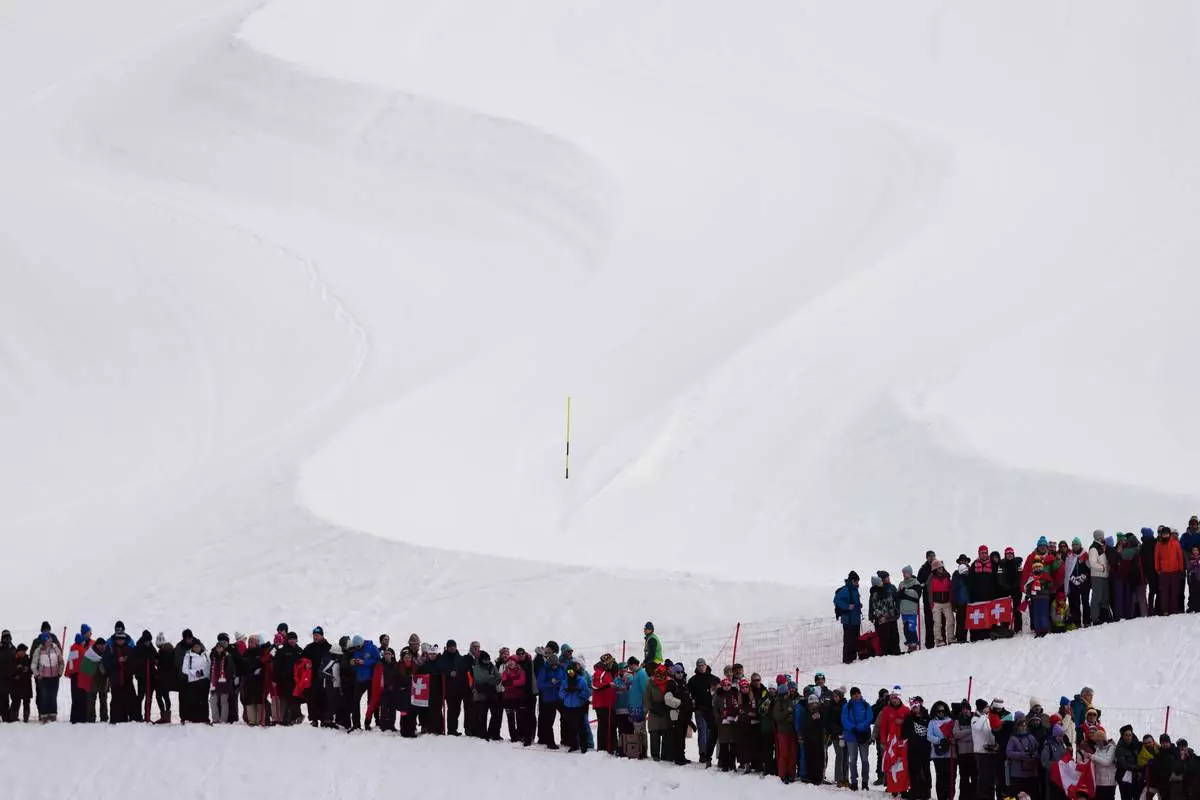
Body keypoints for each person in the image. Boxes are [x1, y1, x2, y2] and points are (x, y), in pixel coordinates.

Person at [688, 658, 719, 766]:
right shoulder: (692, 680)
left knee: (712, 733)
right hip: (699, 709)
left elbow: (719, 692)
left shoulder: (714, 679)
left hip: (712, 710)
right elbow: (689, 695)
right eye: (699, 666)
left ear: (706, 665)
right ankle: (703, 754)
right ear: (697, 667)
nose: (702, 667)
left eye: (703, 665)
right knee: (702, 731)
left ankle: (709, 754)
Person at [843, 686, 873, 791]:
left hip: (863, 736)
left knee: (865, 759)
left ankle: (865, 781)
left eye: (858, 693)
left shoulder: (866, 705)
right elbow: (844, 719)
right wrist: (852, 728)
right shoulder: (847, 706)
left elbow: (869, 719)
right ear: (851, 695)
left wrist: (859, 728)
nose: (856, 695)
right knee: (853, 760)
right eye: (854, 693)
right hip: (851, 736)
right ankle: (854, 781)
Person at [301, 627, 333, 727]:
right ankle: (313, 719)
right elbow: (302, 659)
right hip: (312, 677)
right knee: (312, 698)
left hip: (325, 677)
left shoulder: (329, 647)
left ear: (322, 635)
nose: (315, 637)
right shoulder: (309, 647)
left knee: (325, 698)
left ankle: (325, 718)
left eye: (317, 635)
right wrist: (305, 663)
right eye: (314, 635)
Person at [105, 633, 137, 724]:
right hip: (115, 679)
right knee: (116, 700)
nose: (120, 641)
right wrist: (117, 660)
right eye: (118, 639)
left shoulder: (129, 649)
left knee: (129, 699)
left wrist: (127, 661)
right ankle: (115, 719)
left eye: (122, 639)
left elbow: (133, 663)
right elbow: (106, 663)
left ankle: (129, 718)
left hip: (127, 678)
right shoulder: (110, 649)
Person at [348, 635, 379, 730]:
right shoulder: (355, 650)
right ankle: (356, 724)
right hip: (359, 679)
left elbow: (377, 660)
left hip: (370, 679)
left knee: (371, 701)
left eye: (359, 646)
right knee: (355, 701)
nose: (358, 648)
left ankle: (368, 723)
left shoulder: (371, 647)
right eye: (356, 647)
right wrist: (353, 663)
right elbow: (354, 666)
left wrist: (364, 662)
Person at [439, 639, 470, 736]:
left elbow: (463, 669)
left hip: (459, 689)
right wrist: (449, 673)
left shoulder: (460, 658)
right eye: (450, 646)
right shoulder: (443, 658)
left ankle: (454, 729)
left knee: (457, 710)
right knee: (451, 710)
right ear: (447, 647)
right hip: (449, 689)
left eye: (453, 646)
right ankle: (451, 730)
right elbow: (441, 668)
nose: (452, 648)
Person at [905, 697, 933, 800]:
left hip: (925, 749)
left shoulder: (927, 717)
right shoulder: (909, 718)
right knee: (913, 770)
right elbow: (904, 733)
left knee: (925, 770)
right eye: (913, 708)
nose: (915, 709)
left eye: (917, 707)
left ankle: (926, 791)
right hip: (913, 750)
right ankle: (914, 790)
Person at [32, 631, 63, 723]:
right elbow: (33, 664)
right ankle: (44, 715)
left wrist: (60, 672)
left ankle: (53, 715)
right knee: (45, 696)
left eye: (50, 639)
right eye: (47, 640)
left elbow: (61, 661)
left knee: (53, 696)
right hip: (44, 678)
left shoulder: (55, 648)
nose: (49, 641)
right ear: (43, 641)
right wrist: (37, 674)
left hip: (54, 677)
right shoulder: (38, 650)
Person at [972, 698, 1001, 800]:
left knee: (991, 778)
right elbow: (978, 728)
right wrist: (985, 716)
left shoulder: (987, 718)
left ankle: (990, 796)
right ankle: (982, 797)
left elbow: (990, 732)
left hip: (990, 751)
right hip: (981, 752)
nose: (988, 709)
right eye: (986, 707)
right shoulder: (975, 719)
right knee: (983, 777)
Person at [273, 631, 303, 725]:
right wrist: (276, 679)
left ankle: (296, 717)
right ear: (287, 640)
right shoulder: (282, 651)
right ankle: (285, 718)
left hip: (297, 680)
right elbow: (276, 666)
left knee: (296, 698)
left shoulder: (300, 651)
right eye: (290, 639)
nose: (292, 641)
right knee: (286, 699)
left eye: (294, 639)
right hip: (285, 679)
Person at [1007, 713, 1040, 799]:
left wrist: (1033, 755)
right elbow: (1009, 752)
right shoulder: (1013, 738)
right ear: (1017, 727)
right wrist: (1022, 755)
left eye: (1024, 726)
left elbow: (1038, 748)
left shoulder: (1031, 737)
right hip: (1018, 774)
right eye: (1021, 726)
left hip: (1031, 773)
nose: (1023, 728)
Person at [536, 651, 565, 749]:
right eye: (552, 665)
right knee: (549, 722)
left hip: (560, 698)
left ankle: (566, 740)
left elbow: (564, 680)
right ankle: (550, 742)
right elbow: (540, 685)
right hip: (548, 699)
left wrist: (560, 683)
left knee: (566, 719)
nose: (554, 667)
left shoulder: (561, 668)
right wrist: (551, 683)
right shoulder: (544, 669)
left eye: (556, 665)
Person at [771, 681, 799, 783]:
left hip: (792, 731)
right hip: (783, 732)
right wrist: (788, 711)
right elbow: (777, 716)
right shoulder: (779, 703)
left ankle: (791, 774)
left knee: (792, 753)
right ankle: (783, 773)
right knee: (784, 754)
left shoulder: (790, 701)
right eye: (787, 692)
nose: (789, 693)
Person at [472, 651, 503, 741]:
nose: (487, 661)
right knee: (482, 714)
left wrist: (490, 681)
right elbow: (481, 677)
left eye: (488, 659)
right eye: (485, 660)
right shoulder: (476, 666)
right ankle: (483, 733)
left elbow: (498, 677)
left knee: (495, 714)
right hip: (481, 694)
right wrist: (491, 679)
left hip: (492, 693)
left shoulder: (491, 666)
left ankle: (492, 732)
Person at [927, 701, 954, 800]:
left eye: (942, 711)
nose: (941, 713)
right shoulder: (932, 722)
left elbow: (954, 733)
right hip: (937, 753)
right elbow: (929, 736)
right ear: (935, 711)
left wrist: (950, 739)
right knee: (940, 776)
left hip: (949, 753)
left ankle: (949, 796)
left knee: (949, 777)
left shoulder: (950, 721)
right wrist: (939, 740)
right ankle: (941, 797)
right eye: (939, 711)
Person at [870, 572, 902, 656]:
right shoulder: (876, 592)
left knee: (894, 636)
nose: (889, 579)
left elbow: (895, 600)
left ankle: (895, 652)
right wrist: (872, 616)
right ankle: (886, 654)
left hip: (891, 617)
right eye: (887, 577)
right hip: (883, 619)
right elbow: (874, 606)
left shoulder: (891, 588)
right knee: (884, 637)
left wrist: (897, 611)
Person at [799, 692, 827, 785]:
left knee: (820, 758)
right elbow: (803, 725)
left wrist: (820, 717)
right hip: (809, 739)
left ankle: (819, 777)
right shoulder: (806, 712)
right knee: (810, 758)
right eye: (812, 704)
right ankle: (811, 777)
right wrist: (812, 718)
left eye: (815, 703)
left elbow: (825, 721)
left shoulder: (821, 710)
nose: (814, 705)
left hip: (819, 738)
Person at [835, 572, 863, 663]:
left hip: (855, 620)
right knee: (848, 642)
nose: (857, 582)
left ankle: (853, 659)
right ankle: (847, 660)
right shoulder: (845, 590)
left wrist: (859, 605)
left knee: (856, 641)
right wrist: (847, 606)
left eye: (858, 581)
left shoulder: (855, 590)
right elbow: (836, 600)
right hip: (848, 621)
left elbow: (854, 602)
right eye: (856, 581)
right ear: (852, 581)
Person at [1157, 527, 1186, 615]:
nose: (1165, 535)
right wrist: (1158, 568)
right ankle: (1165, 610)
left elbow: (1179, 556)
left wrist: (1181, 568)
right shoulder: (1159, 544)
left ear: (1169, 534)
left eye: (1167, 533)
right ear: (1161, 535)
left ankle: (1174, 609)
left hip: (1175, 570)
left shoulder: (1176, 543)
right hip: (1164, 571)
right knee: (1165, 592)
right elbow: (1156, 557)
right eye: (1164, 534)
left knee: (1175, 591)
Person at [207, 638, 237, 724]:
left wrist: (227, 679)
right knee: (213, 701)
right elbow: (211, 670)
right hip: (215, 682)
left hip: (224, 682)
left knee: (224, 701)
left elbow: (230, 670)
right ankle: (215, 719)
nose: (219, 649)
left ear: (223, 648)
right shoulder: (213, 657)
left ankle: (223, 719)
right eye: (217, 647)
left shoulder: (228, 657)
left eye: (220, 647)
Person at [1084, 727, 1118, 800]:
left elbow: (1107, 762)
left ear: (1103, 739)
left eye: (1099, 741)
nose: (1097, 743)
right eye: (1096, 741)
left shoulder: (1111, 747)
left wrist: (1092, 756)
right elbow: (1096, 762)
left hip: (1109, 782)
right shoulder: (1098, 748)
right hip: (1099, 781)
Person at [1066, 537, 1093, 628]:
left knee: (1085, 602)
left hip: (1084, 583)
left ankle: (1087, 621)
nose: (1075, 546)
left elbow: (1089, 568)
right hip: (1073, 583)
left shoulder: (1085, 555)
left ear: (1080, 545)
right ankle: (1077, 621)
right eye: (1073, 545)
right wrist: (1072, 578)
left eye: (1076, 544)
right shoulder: (1069, 556)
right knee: (1075, 603)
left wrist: (1084, 576)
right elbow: (1067, 569)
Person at [181, 640, 211, 724]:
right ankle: (193, 718)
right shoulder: (188, 655)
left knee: (204, 700)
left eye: (198, 646)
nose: (196, 648)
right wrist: (196, 673)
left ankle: (204, 717)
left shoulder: (205, 654)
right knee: (193, 700)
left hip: (204, 681)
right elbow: (184, 669)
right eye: (194, 647)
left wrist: (203, 673)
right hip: (193, 681)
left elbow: (209, 666)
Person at [927, 561, 955, 646]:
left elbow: (950, 589)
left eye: (941, 567)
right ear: (935, 569)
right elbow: (930, 591)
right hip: (936, 604)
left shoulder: (947, 576)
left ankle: (951, 638)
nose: (941, 569)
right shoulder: (931, 578)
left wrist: (951, 601)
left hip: (947, 603)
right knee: (937, 622)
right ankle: (938, 640)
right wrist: (931, 603)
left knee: (951, 620)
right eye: (939, 568)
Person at [997, 547, 1025, 633]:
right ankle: (1005, 627)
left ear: (1013, 554)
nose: (1009, 555)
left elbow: (1020, 576)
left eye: (1011, 554)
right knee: (1005, 610)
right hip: (1004, 591)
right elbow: (999, 577)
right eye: (1008, 554)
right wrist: (1006, 586)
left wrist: (1014, 586)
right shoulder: (1001, 564)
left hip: (1016, 590)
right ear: (1005, 555)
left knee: (1017, 609)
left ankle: (1018, 627)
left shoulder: (1018, 564)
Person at [1089, 531, 1112, 623]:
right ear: (1099, 537)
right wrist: (1102, 568)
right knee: (1097, 597)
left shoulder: (1101, 547)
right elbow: (1092, 563)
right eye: (1102, 535)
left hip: (1104, 575)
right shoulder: (1094, 548)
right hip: (1097, 576)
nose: (1103, 537)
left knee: (1104, 597)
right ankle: (1095, 617)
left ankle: (1104, 616)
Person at [899, 566, 923, 652]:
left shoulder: (915, 582)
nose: (903, 574)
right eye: (903, 573)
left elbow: (917, 595)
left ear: (909, 573)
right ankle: (910, 644)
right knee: (906, 629)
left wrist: (905, 591)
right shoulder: (901, 583)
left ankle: (913, 644)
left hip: (912, 610)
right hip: (903, 610)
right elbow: (899, 595)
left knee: (911, 627)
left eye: (905, 573)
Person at [918, 551, 938, 649]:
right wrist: (923, 585)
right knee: (929, 622)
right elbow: (919, 583)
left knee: (939, 621)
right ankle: (929, 643)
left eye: (933, 556)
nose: (932, 558)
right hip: (927, 600)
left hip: (939, 598)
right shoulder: (923, 569)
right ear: (926, 558)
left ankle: (940, 640)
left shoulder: (939, 566)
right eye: (930, 556)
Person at [1114, 725, 1141, 800]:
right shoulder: (1120, 748)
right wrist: (1139, 768)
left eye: (1130, 735)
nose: (1128, 737)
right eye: (1126, 735)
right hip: (1124, 778)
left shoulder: (1136, 744)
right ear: (1122, 736)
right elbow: (1124, 764)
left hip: (1135, 778)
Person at [9, 642, 33, 723]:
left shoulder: (28, 659)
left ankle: (26, 717)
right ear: (18, 651)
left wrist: (28, 670)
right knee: (16, 701)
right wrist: (17, 670)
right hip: (16, 685)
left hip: (26, 683)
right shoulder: (13, 659)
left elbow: (31, 670)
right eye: (21, 651)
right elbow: (10, 671)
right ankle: (13, 717)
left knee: (26, 701)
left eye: (24, 651)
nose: (23, 653)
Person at [953, 557, 972, 643]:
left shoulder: (971, 572)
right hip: (960, 601)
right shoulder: (956, 574)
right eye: (961, 561)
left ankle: (965, 637)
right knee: (960, 620)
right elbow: (953, 588)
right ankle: (959, 637)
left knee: (968, 620)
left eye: (965, 560)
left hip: (969, 601)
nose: (963, 562)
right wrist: (954, 602)